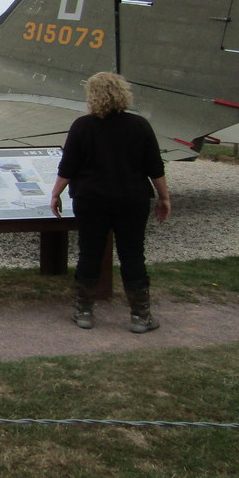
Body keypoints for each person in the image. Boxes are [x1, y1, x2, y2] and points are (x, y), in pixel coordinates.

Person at [50, 72, 171, 333]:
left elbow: (68, 166)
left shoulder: (82, 126)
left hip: (91, 199)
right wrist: (164, 197)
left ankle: (84, 311)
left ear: (92, 96)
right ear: (123, 94)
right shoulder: (140, 126)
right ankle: (140, 315)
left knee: (89, 252)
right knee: (133, 254)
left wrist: (56, 193)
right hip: (132, 199)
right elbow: (154, 166)